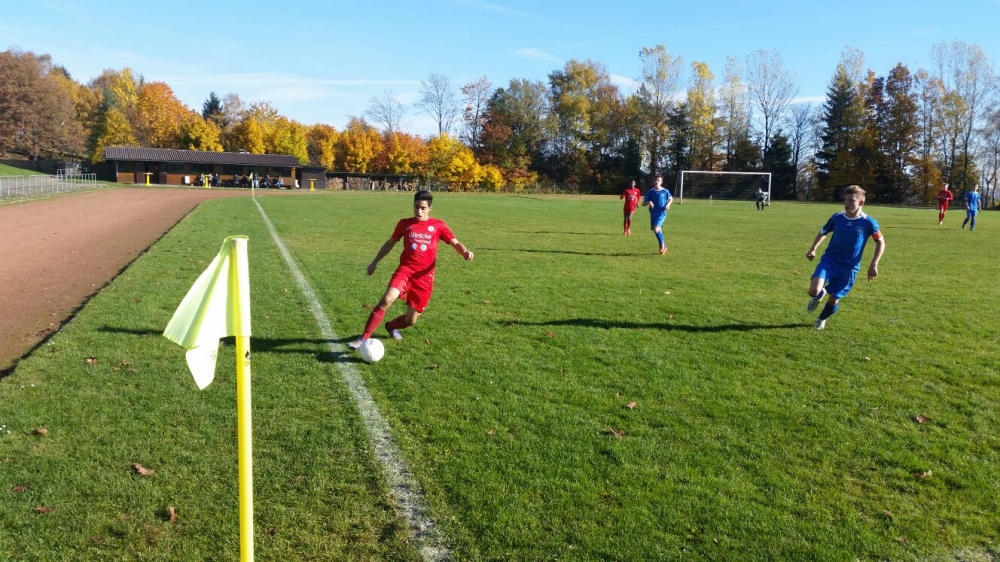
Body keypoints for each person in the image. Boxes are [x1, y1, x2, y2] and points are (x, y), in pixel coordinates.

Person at [348, 189, 475, 350]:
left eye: (423, 208)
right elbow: (390, 243)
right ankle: (363, 338)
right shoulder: (405, 224)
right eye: (416, 207)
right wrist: (375, 262)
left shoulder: (438, 225)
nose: (419, 211)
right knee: (387, 299)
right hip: (405, 270)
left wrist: (464, 252)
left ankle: (391, 326)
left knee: (411, 320)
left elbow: (455, 243)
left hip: (424, 277)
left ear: (430, 208)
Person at [805, 185, 885, 330]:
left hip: (849, 267)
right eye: (845, 200)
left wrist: (874, 264)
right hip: (830, 260)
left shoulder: (868, 222)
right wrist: (813, 249)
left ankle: (822, 318)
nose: (846, 203)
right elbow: (823, 232)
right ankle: (820, 294)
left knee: (834, 298)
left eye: (851, 200)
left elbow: (880, 242)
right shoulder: (837, 217)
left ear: (861, 202)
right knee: (814, 290)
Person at [642, 174, 673, 255]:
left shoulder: (665, 191)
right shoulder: (650, 191)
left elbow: (671, 198)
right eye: (655, 180)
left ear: (661, 182)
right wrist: (649, 202)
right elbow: (643, 203)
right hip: (653, 213)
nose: (656, 181)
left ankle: (663, 246)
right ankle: (663, 246)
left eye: (658, 180)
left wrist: (668, 204)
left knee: (656, 229)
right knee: (658, 231)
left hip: (662, 213)